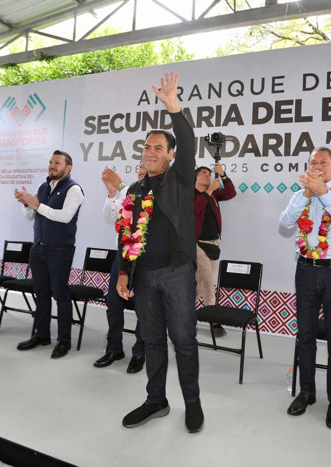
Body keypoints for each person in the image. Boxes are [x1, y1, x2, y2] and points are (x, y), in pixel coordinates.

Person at [116, 71, 203, 433]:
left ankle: (193, 403)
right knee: (151, 340)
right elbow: (126, 234)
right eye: (147, 147)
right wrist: (123, 271)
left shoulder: (180, 179)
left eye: (158, 148)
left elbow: (187, 139)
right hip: (144, 277)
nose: (151, 152)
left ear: (170, 156)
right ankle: (156, 401)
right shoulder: (134, 188)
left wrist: (173, 108)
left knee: (183, 340)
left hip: (177, 273)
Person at [279, 147, 331, 430]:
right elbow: (285, 223)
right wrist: (307, 195)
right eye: (313, 162)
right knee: (306, 336)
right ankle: (307, 392)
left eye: (323, 162)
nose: (318, 166)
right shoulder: (301, 195)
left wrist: (323, 192)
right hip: (306, 269)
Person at [14, 150, 84, 359]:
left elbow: (65, 217)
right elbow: (30, 215)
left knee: (61, 295)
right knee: (41, 293)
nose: (52, 166)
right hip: (38, 248)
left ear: (68, 167)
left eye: (57, 163)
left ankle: (64, 341)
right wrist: (27, 204)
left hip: (60, 250)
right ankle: (41, 334)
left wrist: (38, 205)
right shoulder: (42, 187)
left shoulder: (74, 189)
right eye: (51, 162)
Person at [94, 165, 146, 373]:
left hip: (145, 259)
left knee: (144, 307)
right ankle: (114, 348)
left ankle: (140, 352)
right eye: (140, 172)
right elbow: (108, 215)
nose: (142, 175)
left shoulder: (155, 193)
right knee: (113, 302)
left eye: (145, 172)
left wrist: (121, 186)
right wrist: (112, 192)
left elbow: (142, 204)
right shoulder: (127, 194)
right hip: (122, 257)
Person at [194, 163, 236, 337]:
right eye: (203, 173)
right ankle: (214, 322)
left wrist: (223, 175)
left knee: (199, 285)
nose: (207, 175)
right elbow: (194, 209)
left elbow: (230, 193)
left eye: (209, 173)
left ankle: (181, 315)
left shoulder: (214, 195)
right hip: (196, 244)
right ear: (195, 177)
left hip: (213, 244)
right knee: (209, 284)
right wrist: (209, 190)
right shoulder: (191, 193)